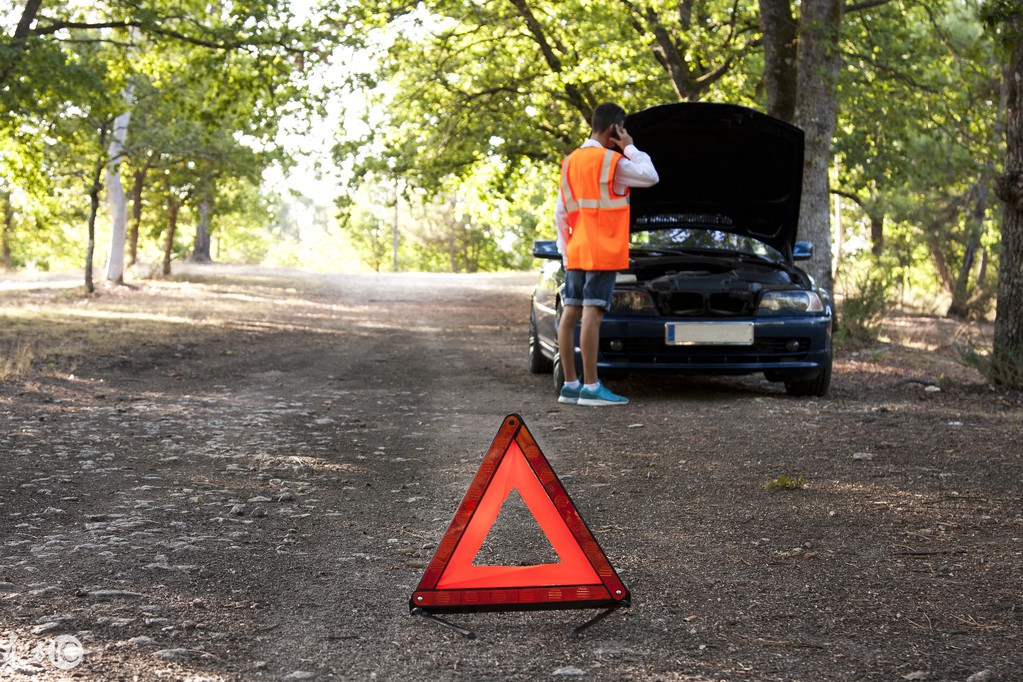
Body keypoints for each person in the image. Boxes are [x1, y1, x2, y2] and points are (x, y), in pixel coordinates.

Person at [554, 102, 659, 406]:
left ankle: (571, 385)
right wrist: (631, 147)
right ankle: (591, 387)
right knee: (592, 314)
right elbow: (650, 176)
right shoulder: (611, 162)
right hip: (602, 249)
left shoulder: (570, 161)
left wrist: (566, 253)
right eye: (622, 129)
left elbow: (561, 213)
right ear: (615, 127)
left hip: (576, 247)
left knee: (570, 312)